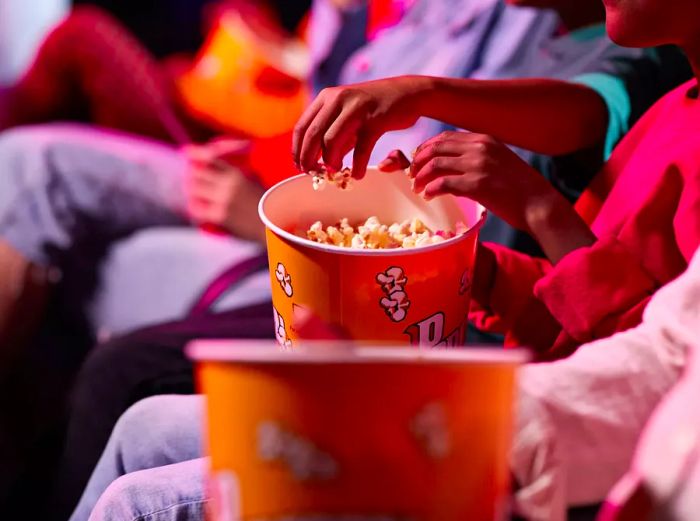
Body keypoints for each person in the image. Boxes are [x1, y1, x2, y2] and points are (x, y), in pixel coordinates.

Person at [25, 0, 692, 515]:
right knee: (142, 421)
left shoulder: (621, 68)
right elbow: (575, 309)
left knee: (134, 462)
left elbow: (638, 365)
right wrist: (466, 268)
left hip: (531, 443)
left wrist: (539, 208)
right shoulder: (673, 108)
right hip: (505, 385)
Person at [67, 244, 700, 521]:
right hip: (524, 406)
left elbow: (603, 325)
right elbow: (669, 351)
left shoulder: (606, 92)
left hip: (510, 390)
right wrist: (400, 402)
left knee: (137, 489)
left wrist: (529, 206)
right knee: (143, 422)